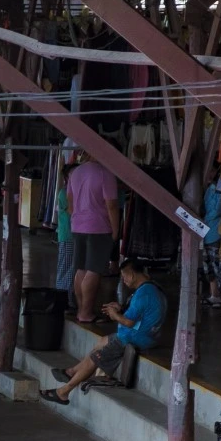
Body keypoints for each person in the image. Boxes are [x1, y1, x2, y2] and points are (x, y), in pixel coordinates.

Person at [43, 258, 165, 405]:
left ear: (131, 275)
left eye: (124, 276)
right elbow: (140, 315)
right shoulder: (152, 288)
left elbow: (128, 322)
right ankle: (72, 371)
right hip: (147, 336)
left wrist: (115, 315)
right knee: (103, 341)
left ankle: (63, 392)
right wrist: (120, 308)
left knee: (96, 357)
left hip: (134, 338)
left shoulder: (142, 294)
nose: (124, 280)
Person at [68, 148, 122, 324]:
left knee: (81, 269)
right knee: (94, 270)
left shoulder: (75, 172)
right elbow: (112, 205)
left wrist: (76, 219)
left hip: (78, 225)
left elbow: (70, 201)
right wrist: (116, 230)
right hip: (98, 227)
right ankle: (86, 312)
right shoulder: (105, 174)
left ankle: (81, 309)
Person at [201, 177, 221, 307]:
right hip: (209, 232)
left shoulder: (220, 187)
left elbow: (216, 210)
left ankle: (219, 295)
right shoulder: (211, 189)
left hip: (214, 232)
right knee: (210, 266)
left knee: (216, 265)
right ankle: (215, 294)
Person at [53, 159, 76, 297]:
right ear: (67, 178)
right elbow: (71, 211)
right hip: (68, 235)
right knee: (66, 266)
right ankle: (63, 295)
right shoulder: (65, 193)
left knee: (70, 266)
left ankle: (67, 295)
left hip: (71, 234)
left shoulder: (68, 192)